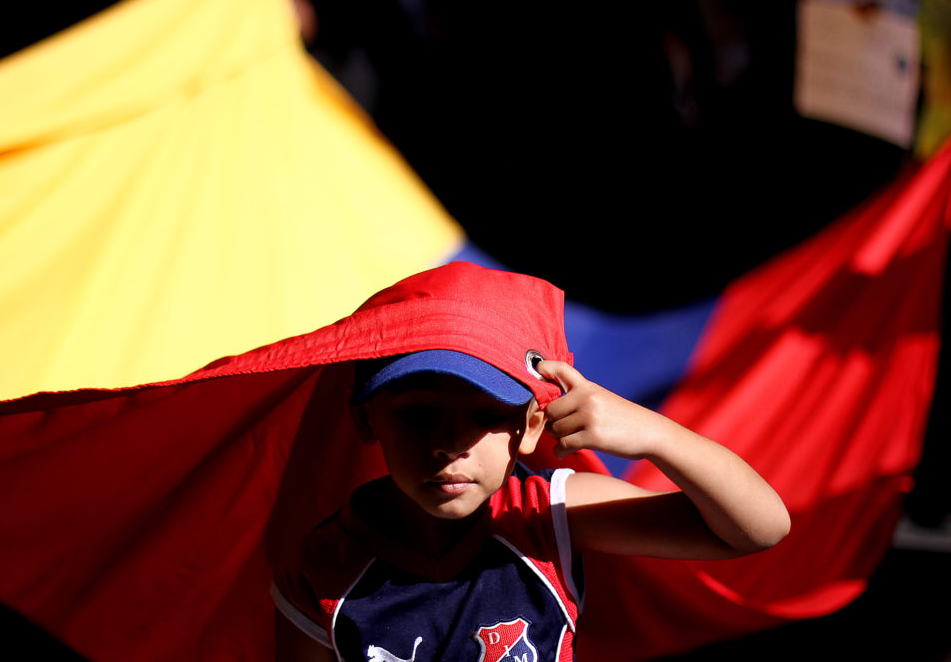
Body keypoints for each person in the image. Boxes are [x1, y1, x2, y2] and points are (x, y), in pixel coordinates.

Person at [270, 265, 791, 661]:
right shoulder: (322, 566)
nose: (450, 443)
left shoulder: (548, 513)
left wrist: (656, 435)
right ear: (366, 419)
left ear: (533, 427)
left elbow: (759, 529)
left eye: (486, 415)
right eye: (419, 414)